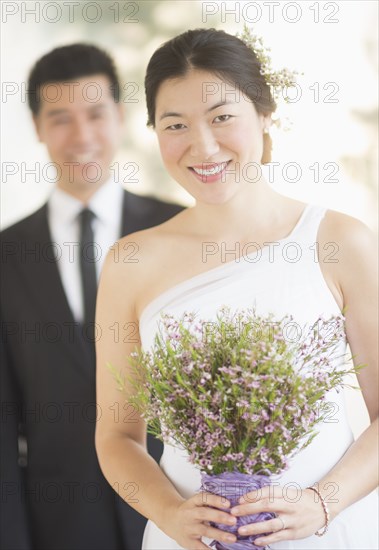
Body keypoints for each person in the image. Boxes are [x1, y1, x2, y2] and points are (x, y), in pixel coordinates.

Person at [95, 28, 378, 549]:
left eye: (223, 117)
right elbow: (116, 437)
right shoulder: (130, 261)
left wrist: (321, 504)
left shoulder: (339, 241)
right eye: (175, 124)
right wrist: (172, 515)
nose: (203, 146)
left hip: (328, 532)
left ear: (264, 114)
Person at [0, 43, 183, 550]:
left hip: (178, 510)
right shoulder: (6, 255)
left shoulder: (180, 230)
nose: (81, 136)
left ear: (120, 118)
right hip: (59, 523)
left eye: (95, 114)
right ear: (37, 127)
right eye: (60, 118)